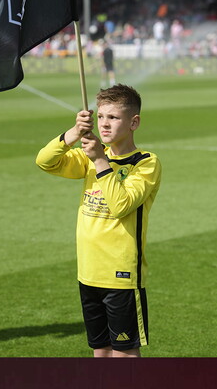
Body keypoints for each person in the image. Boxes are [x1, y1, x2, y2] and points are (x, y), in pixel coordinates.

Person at [35, 85, 162, 358]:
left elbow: (121, 206)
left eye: (114, 117)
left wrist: (101, 160)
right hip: (88, 271)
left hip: (121, 274)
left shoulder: (145, 163)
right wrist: (72, 135)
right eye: (101, 116)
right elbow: (44, 161)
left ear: (134, 122)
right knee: (100, 351)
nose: (104, 123)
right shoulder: (88, 156)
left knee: (124, 353)